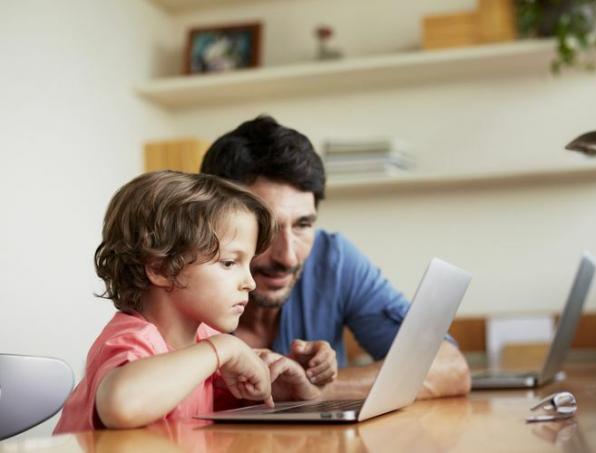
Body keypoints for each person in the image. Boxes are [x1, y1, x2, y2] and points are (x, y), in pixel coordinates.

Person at [200, 115, 471, 399]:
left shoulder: (332, 260)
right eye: (265, 228)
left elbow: (449, 367)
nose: (289, 257)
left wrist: (312, 389)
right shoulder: (180, 276)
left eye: (303, 225)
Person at [54, 171, 329, 434]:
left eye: (248, 263)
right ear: (161, 268)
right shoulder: (133, 339)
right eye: (229, 262)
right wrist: (223, 348)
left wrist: (287, 393)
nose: (250, 283)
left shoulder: (203, 344)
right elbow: (121, 405)